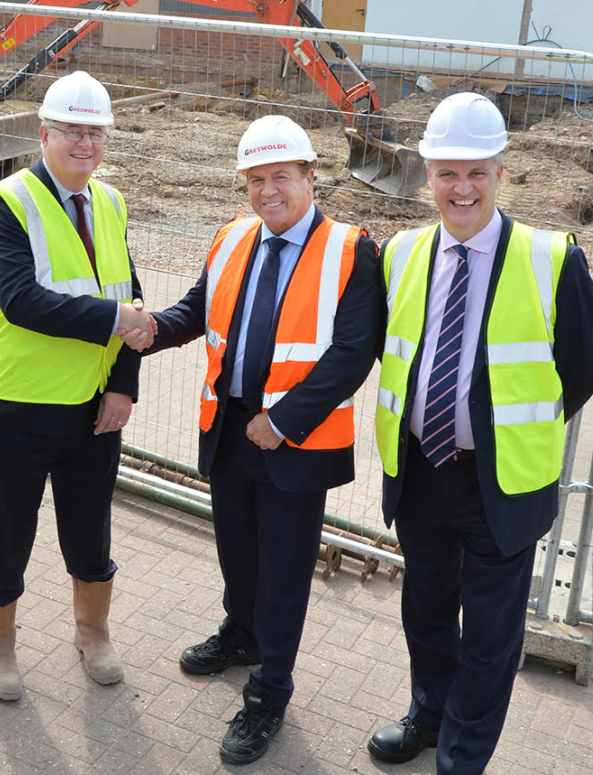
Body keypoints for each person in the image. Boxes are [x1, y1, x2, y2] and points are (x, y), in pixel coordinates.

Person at [367, 92, 593, 775]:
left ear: (502, 170)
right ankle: (427, 716)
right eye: (447, 173)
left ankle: (463, 757)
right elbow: (393, 352)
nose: (461, 188)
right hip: (421, 471)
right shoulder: (400, 254)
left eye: (476, 172)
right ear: (426, 173)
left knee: (490, 634)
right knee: (426, 612)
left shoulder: (553, 260)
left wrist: (504, 429)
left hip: (504, 479)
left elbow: (577, 374)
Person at [145, 115, 380, 764]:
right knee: (237, 550)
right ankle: (241, 633)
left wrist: (282, 421)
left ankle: (270, 688)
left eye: (282, 176)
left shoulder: (352, 250)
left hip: (296, 440)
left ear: (310, 177)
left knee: (283, 570)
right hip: (231, 427)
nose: (268, 190)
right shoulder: (231, 238)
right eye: (256, 179)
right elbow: (197, 311)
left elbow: (354, 352)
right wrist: (150, 330)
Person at [0, 71, 155, 701]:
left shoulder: (110, 201)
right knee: (10, 529)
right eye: (71, 131)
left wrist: (123, 386)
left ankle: (93, 631)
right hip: (26, 401)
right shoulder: (8, 201)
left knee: (89, 526)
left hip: (95, 405)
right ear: (43, 133)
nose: (84, 143)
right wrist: (115, 321)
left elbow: (130, 298)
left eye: (94, 132)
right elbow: (21, 300)